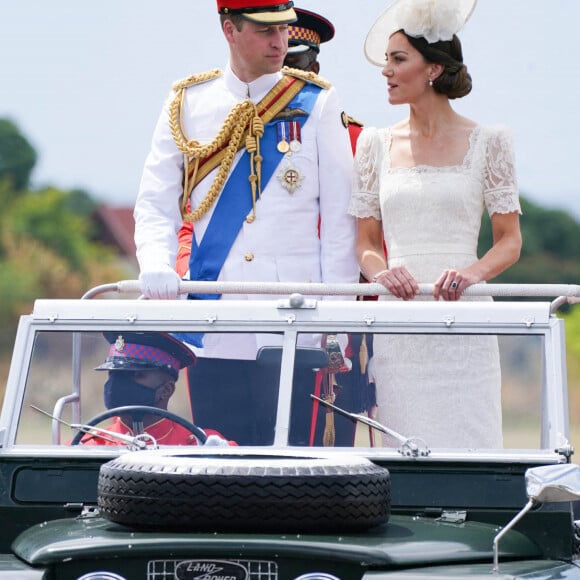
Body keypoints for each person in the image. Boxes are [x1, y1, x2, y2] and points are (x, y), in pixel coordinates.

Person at [134, 0, 358, 445]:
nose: (280, 42)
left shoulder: (315, 101)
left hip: (297, 317)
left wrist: (337, 311)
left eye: (283, 29)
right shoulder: (188, 102)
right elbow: (156, 201)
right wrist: (156, 264)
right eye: (264, 31)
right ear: (230, 30)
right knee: (221, 463)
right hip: (216, 317)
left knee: (297, 467)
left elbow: (339, 218)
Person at [349, 0, 522, 448]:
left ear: (432, 69)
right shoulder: (373, 144)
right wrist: (380, 271)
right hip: (399, 326)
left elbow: (509, 242)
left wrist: (471, 274)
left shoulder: (491, 141)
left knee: (473, 450)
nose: (386, 70)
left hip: (465, 326)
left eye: (398, 59)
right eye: (386, 60)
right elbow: (366, 243)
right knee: (401, 454)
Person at [80, 331, 234, 446]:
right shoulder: (89, 445)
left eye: (135, 375)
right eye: (114, 374)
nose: (118, 383)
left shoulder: (201, 445)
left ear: (167, 390)